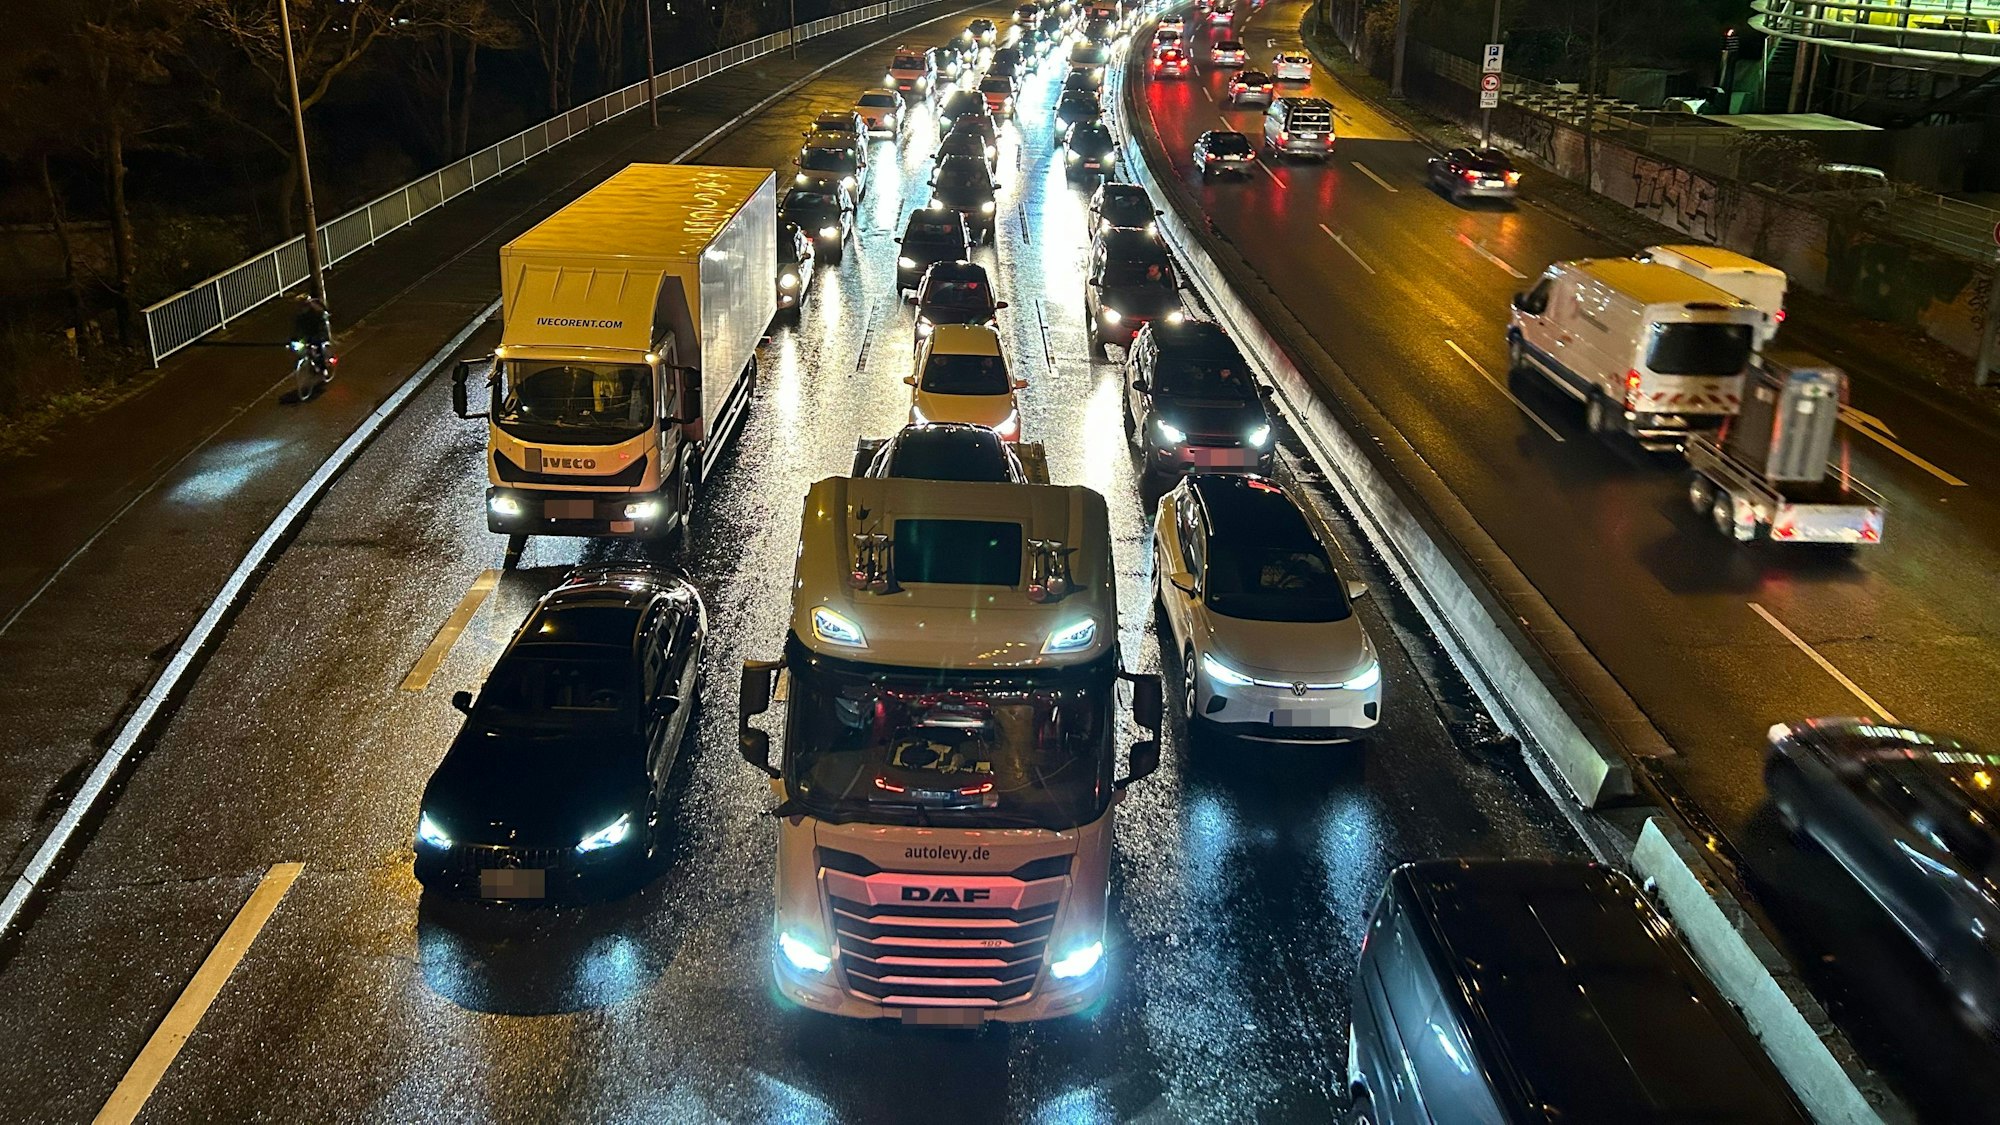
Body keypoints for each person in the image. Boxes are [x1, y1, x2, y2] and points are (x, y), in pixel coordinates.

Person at [290, 294, 333, 382]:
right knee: (305, 348)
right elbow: (297, 328)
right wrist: (293, 339)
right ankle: (312, 365)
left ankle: (324, 368)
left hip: (320, 333)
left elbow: (322, 326)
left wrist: (318, 336)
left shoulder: (317, 312)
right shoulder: (300, 315)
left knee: (318, 348)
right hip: (309, 334)